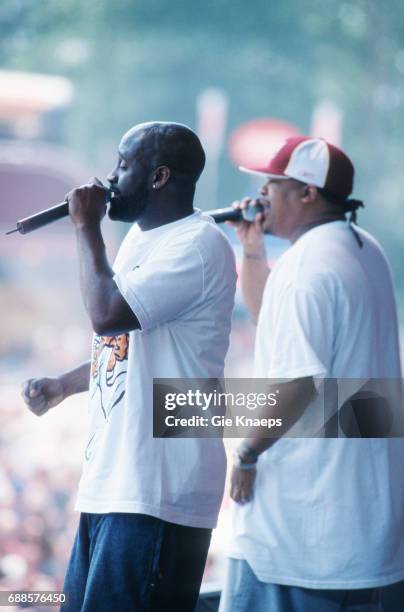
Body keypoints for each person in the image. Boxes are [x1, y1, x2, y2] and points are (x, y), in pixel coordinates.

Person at [22, 121, 237, 612]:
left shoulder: (198, 246)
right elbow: (125, 344)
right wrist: (65, 384)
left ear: (159, 177)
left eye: (124, 164)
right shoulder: (145, 239)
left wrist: (85, 225)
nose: (111, 177)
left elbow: (107, 314)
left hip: (156, 491)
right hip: (116, 486)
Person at [219, 136, 404, 612]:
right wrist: (254, 250)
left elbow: (298, 385)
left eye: (273, 184)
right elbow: (272, 328)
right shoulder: (363, 250)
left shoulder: (306, 268)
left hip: (297, 537)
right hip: (359, 536)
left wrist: (246, 453)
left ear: (307, 193)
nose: (261, 195)